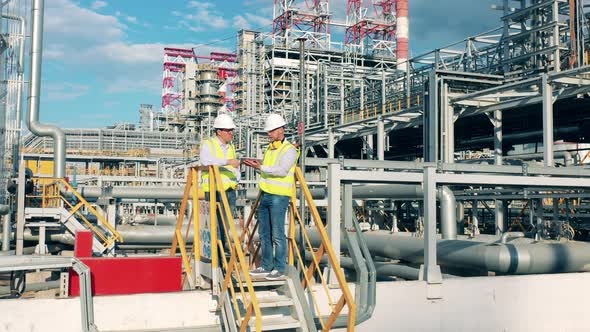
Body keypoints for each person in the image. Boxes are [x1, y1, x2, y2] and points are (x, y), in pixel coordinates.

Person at [243, 113, 298, 280]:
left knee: (277, 234)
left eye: (271, 131)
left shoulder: (290, 150)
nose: (268, 134)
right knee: (264, 233)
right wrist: (256, 165)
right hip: (266, 194)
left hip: (279, 197)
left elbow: (282, 171)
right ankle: (266, 266)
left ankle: (280, 267)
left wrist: (261, 167)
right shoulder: (270, 148)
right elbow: (267, 168)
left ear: (281, 130)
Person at [200, 113, 240, 258]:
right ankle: (216, 253)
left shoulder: (231, 147)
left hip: (229, 191)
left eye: (232, 130)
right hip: (214, 191)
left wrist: (237, 180)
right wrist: (227, 162)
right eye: (228, 130)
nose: (231, 133)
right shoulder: (208, 144)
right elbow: (205, 161)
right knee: (214, 224)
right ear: (219, 131)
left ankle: (223, 250)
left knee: (226, 224)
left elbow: (234, 167)